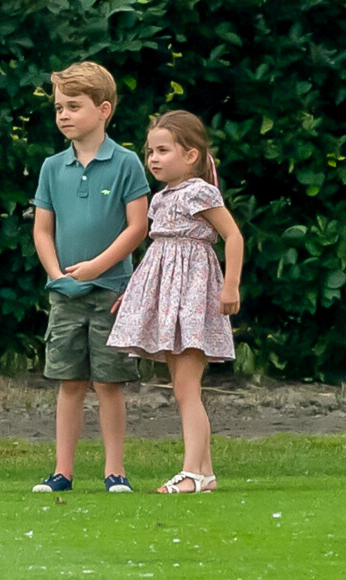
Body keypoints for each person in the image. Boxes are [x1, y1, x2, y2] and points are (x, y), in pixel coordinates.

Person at [107, 110, 244, 493]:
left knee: (187, 388)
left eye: (163, 150)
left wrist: (229, 286)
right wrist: (134, 295)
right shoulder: (162, 197)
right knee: (183, 387)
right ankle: (205, 472)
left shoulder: (200, 192)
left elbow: (233, 236)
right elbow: (158, 257)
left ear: (191, 155)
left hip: (192, 297)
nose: (153, 158)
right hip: (169, 297)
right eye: (150, 150)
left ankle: (194, 473)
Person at [31, 62, 150, 493]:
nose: (63, 114)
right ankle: (62, 472)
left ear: (103, 110)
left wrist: (98, 267)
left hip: (113, 291)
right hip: (65, 294)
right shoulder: (51, 166)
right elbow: (43, 230)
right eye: (59, 107)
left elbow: (137, 227)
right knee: (69, 382)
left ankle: (114, 472)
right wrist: (56, 274)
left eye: (73, 106)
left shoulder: (127, 163)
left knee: (109, 383)